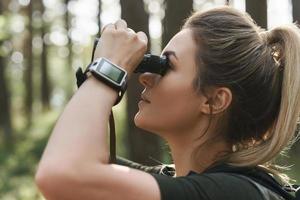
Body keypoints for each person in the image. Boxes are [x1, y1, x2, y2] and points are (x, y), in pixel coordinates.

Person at [35, 6, 300, 200]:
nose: (146, 77)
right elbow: (70, 152)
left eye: (167, 66)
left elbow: (62, 173)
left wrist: (108, 71)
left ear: (214, 100)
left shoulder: (237, 194)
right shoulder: (183, 181)